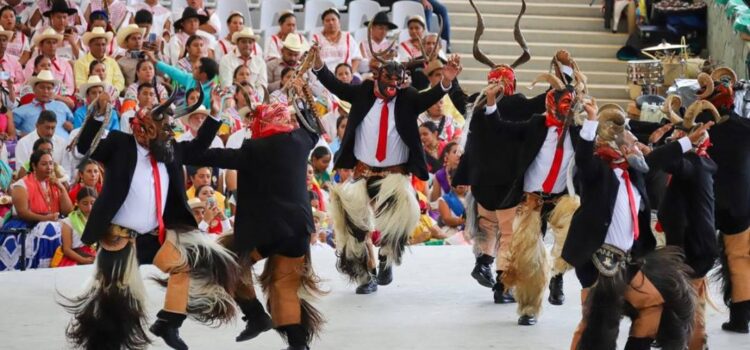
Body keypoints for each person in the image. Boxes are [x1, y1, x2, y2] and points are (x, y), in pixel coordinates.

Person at [62, 91, 238, 350]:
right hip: (118, 238)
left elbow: (199, 147)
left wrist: (213, 114)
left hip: (153, 236)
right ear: (144, 129)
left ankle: (169, 323)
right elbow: (83, 147)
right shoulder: (120, 144)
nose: (169, 133)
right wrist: (98, 114)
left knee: (182, 268)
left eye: (169, 128)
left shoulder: (170, 150)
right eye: (163, 128)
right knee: (117, 300)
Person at [310, 39, 461, 294]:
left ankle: (387, 259)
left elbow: (431, 96)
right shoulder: (362, 93)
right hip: (363, 171)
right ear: (378, 77)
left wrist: (445, 81)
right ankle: (364, 275)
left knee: (404, 215)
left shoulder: (407, 97)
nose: (392, 88)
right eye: (388, 83)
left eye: (397, 84)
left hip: (395, 174)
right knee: (353, 226)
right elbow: (335, 85)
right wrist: (318, 64)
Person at [188, 82, 324, 350]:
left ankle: (255, 315)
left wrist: (215, 115)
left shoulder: (250, 150)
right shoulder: (300, 142)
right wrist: (301, 95)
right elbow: (315, 128)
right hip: (298, 231)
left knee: (226, 264)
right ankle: (298, 345)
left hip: (265, 233)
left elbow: (198, 153)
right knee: (285, 287)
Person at [564, 100, 703, 350]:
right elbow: (583, 158)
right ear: (618, 148)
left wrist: (686, 142)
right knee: (594, 323)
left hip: (628, 261)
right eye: (632, 144)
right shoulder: (597, 173)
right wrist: (592, 120)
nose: (638, 147)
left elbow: (657, 158)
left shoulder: (636, 173)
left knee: (652, 303)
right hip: (598, 262)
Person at [453, 1, 546, 306]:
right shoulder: (520, 103)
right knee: (508, 232)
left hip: (480, 184)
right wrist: (565, 79)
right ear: (513, 83)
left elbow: (457, 98)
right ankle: (502, 285)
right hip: (508, 184)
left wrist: (449, 78)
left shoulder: (477, 107)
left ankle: (482, 263)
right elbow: (545, 102)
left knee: (487, 225)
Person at [655, 97, 720, 349]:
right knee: (689, 299)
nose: (677, 138)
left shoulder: (693, 164)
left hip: (692, 248)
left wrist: (679, 143)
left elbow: (663, 161)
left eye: (683, 135)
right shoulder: (700, 163)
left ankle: (695, 343)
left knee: (689, 303)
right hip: (693, 244)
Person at [692, 68, 750, 334]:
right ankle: (740, 319)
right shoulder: (744, 127)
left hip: (704, 199)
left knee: (693, 258)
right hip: (740, 202)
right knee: (740, 258)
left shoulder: (698, 124)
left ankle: (690, 320)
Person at [1, 149, 73, 270]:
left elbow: (67, 211)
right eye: (44, 164)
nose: (49, 167)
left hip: (50, 221)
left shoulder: (54, 184)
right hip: (23, 225)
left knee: (64, 227)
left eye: (51, 163)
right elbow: (23, 213)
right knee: (49, 228)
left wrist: (61, 188)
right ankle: (42, 268)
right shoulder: (21, 185)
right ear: (34, 166)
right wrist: (46, 219)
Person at [147, 50, 217, 108]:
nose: (192, 69)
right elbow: (173, 72)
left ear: (203, 75)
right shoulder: (191, 79)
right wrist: (155, 61)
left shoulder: (212, 94)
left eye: (196, 68)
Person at [12, 71, 73, 138]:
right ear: (34, 89)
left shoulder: (62, 106)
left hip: (62, 146)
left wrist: (71, 127)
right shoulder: (22, 110)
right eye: (42, 87)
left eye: (49, 88)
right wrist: (20, 134)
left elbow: (75, 126)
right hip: (33, 146)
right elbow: (9, 128)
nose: (46, 91)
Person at [50, 186, 97, 267]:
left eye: (93, 203)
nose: (89, 208)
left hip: (94, 256)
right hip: (75, 257)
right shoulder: (68, 221)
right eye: (85, 203)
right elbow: (67, 249)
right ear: (77, 203)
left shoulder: (99, 220)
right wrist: (83, 260)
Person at [25, 28, 75, 100]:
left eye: (54, 43)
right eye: (48, 42)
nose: (52, 46)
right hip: (38, 97)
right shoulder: (32, 62)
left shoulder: (65, 64)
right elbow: (30, 83)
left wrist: (58, 97)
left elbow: (70, 87)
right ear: (41, 46)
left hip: (60, 99)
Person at [74, 26, 125, 93]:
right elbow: (80, 83)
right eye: (97, 45)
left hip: (111, 97)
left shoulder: (112, 62)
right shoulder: (80, 62)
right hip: (89, 98)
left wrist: (111, 93)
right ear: (90, 45)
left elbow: (120, 82)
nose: (101, 48)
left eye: (103, 44)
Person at [312, 8, 362, 73]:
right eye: (327, 20)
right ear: (323, 23)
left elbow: (356, 58)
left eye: (333, 19)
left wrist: (351, 73)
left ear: (339, 22)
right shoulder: (316, 38)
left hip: (344, 75)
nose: (331, 23)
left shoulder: (348, 37)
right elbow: (311, 60)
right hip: (323, 75)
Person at [115, 24, 147, 88]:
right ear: (126, 42)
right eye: (133, 39)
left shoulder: (148, 57)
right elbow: (120, 84)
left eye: (139, 38)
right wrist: (131, 93)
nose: (137, 41)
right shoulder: (120, 62)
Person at [0, 25, 23, 91]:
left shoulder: (14, 61)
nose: (1, 43)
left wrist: (11, 88)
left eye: (4, 40)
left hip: (10, 96)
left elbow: (21, 82)